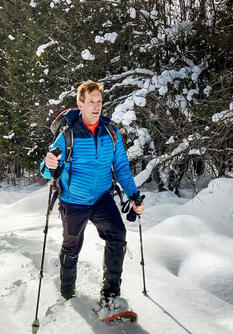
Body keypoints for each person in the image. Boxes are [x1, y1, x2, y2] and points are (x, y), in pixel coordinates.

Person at [40, 81, 144, 305]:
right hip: (73, 200)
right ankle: (67, 294)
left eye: (99, 101)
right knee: (71, 247)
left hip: (101, 198)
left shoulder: (111, 132)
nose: (96, 106)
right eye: (91, 102)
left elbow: (122, 167)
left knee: (118, 233)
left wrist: (134, 195)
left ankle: (110, 295)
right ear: (80, 104)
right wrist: (49, 163)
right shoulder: (68, 134)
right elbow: (46, 172)